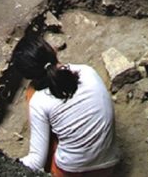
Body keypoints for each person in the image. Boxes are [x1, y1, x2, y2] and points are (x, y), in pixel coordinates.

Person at [15, 35, 119, 177]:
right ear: (53, 50)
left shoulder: (38, 101)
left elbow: (35, 162)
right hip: (109, 164)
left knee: (31, 92)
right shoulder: (87, 71)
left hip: (72, 172)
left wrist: (0, 161)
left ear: (28, 75)